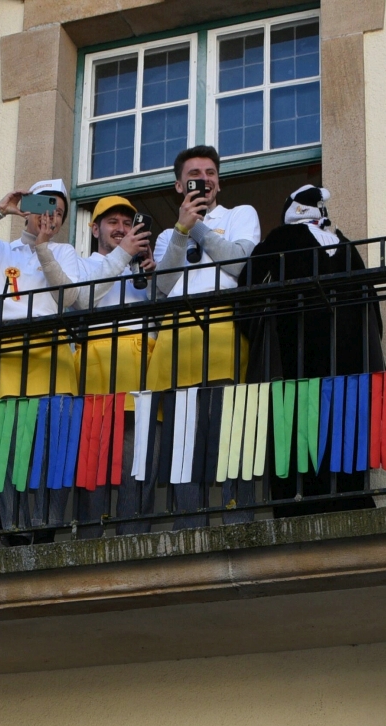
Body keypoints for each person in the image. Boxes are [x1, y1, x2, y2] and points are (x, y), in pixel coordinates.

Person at [0, 179, 129, 543]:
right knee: (6, 450)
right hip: (4, 354)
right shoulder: (1, 250)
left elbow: (70, 298)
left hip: (51, 352)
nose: (53, 217)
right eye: (46, 207)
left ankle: (45, 526)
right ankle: (14, 530)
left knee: (53, 447)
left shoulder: (64, 252)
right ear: (28, 209)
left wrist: (44, 248)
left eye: (60, 212)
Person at [242, 184, 384, 519]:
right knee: (342, 426)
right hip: (347, 361)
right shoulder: (346, 246)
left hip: (294, 359)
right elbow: (374, 315)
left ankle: (298, 502)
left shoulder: (279, 240)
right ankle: (350, 498)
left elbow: (246, 293)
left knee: (295, 430)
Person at [149, 146, 261, 528]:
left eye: (211, 173)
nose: (204, 179)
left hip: (223, 340)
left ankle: (239, 526)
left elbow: (238, 263)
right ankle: (188, 529)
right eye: (195, 174)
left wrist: (196, 225)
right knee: (185, 450)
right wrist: (182, 230)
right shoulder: (168, 235)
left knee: (231, 440)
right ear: (180, 186)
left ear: (219, 182)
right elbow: (162, 287)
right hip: (176, 348)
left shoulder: (240, 215)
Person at [74, 195, 157, 537]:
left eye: (127, 223)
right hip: (96, 380)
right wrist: (123, 255)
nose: (121, 228)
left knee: (136, 469)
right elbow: (83, 301)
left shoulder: (143, 270)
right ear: (94, 229)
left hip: (141, 381)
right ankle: (88, 546)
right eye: (113, 222)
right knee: (93, 471)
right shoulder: (82, 265)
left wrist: (155, 277)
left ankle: (134, 543)